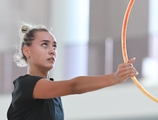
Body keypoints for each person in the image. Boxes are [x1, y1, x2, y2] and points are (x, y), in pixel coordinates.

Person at [7, 23, 138, 120]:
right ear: (26, 51)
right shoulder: (25, 85)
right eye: (44, 44)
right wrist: (114, 78)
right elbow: (74, 86)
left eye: (54, 46)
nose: (52, 50)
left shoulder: (55, 97)